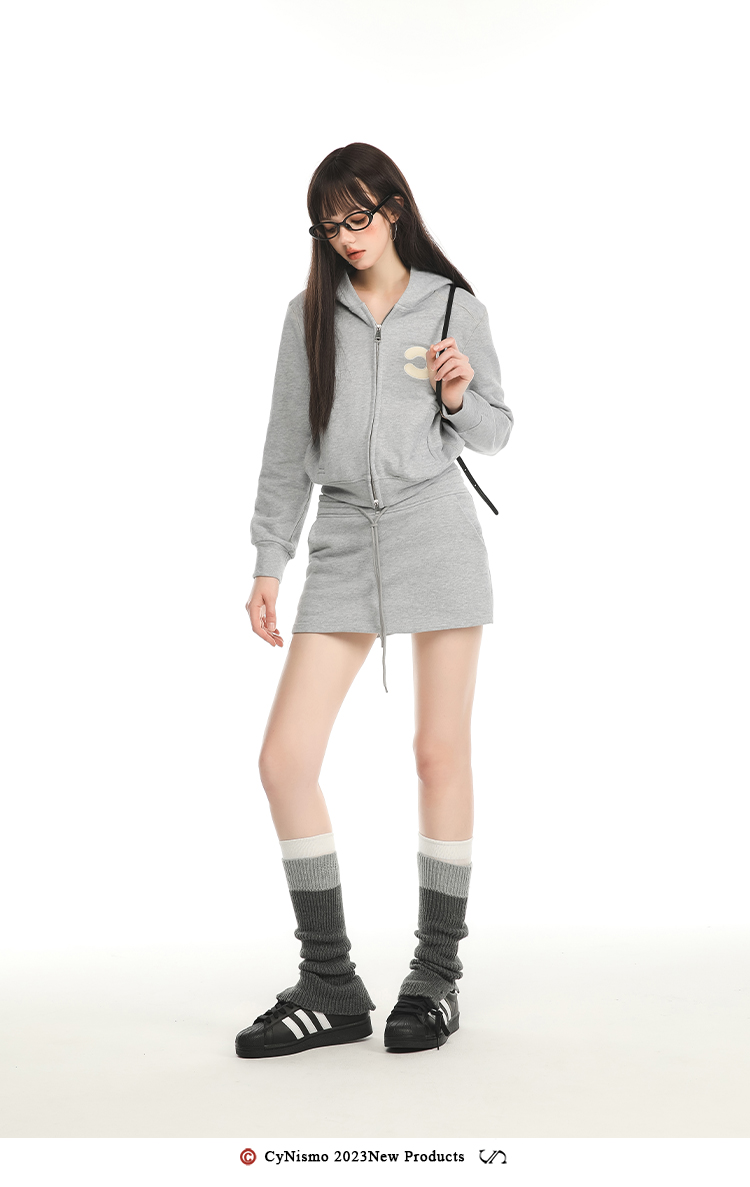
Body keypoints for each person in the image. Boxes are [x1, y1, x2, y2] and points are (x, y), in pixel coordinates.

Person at [236, 142, 513, 1058]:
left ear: (393, 208)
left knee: (439, 753)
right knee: (285, 758)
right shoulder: (307, 315)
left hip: (437, 534)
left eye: (358, 218)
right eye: (330, 226)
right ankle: (331, 982)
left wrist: (459, 395)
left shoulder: (452, 306)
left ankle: (435, 976)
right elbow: (286, 446)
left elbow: (497, 431)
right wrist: (269, 560)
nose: (347, 238)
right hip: (344, 538)